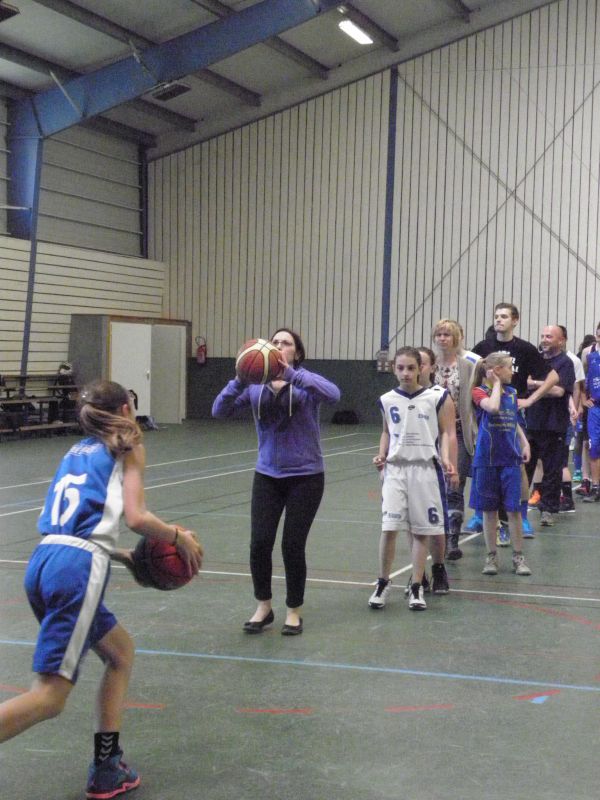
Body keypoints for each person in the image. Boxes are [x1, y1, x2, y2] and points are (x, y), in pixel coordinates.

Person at [0, 380, 203, 799]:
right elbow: (136, 517)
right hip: (76, 571)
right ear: (126, 409)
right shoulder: (128, 444)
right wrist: (177, 537)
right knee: (49, 697)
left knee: (120, 653)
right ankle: (106, 768)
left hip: (45, 560)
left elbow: (75, 526)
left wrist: (124, 555)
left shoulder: (75, 452)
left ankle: (107, 768)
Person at [212, 327, 340, 635]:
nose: (280, 346)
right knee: (259, 543)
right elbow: (219, 411)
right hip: (267, 475)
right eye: (275, 342)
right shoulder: (255, 387)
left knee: (292, 545)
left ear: (296, 353)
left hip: (306, 477)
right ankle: (264, 606)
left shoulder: (305, 383)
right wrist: (239, 379)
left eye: (287, 343)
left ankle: (294, 610)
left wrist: (293, 375)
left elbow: (334, 394)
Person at [369, 347, 458, 612]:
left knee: (421, 531)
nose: (406, 373)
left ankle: (418, 585)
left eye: (411, 368)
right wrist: (382, 453)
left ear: (421, 369)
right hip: (396, 470)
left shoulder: (436, 397)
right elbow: (386, 431)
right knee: (389, 528)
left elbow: (445, 432)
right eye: (400, 368)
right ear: (393, 369)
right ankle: (383, 582)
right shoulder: (387, 399)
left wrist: (446, 458)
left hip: (424, 469)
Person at [470, 303, 560, 541]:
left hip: (512, 413)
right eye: (496, 316)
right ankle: (480, 514)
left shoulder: (525, 349)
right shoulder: (483, 347)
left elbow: (553, 376)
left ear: (515, 320)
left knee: (517, 467)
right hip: (487, 412)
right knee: (484, 463)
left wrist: (530, 400)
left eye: (504, 316)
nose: (499, 320)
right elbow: (470, 373)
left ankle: (521, 517)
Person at [470, 353, 532, 576]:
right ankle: (492, 556)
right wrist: (495, 384)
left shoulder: (512, 392)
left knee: (514, 510)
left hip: (510, 459)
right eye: (508, 368)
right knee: (489, 511)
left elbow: (513, 420)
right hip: (487, 460)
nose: (512, 372)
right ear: (496, 371)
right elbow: (493, 408)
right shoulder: (479, 391)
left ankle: (518, 556)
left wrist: (524, 442)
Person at [431, 319, 477, 560]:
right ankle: (435, 535)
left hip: (458, 431)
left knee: (454, 485)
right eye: (439, 334)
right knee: (432, 487)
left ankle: (452, 539)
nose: (442, 338)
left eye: (447, 334)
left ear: (456, 338)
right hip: (431, 432)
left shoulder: (469, 365)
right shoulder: (428, 364)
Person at [520, 326, 575, 525]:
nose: (544, 339)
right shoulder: (535, 361)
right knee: (525, 468)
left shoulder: (565, 363)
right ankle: (518, 507)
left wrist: (534, 384)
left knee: (552, 470)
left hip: (554, 425)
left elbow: (559, 391)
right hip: (531, 423)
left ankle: (548, 509)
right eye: (543, 336)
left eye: (549, 337)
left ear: (561, 340)